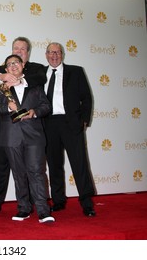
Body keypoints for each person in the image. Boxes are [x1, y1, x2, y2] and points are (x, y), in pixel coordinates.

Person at [0, 54, 54, 223]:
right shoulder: (0, 88)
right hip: (11, 137)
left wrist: (35, 112)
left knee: (37, 172)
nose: (13, 66)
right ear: (5, 69)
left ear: (22, 66)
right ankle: (24, 209)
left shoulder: (34, 86)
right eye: (9, 64)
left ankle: (43, 211)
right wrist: (7, 107)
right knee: (19, 174)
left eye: (16, 63)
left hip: (34, 136)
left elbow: (46, 106)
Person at [43, 42, 96, 217]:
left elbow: (87, 98)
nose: (54, 56)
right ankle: (58, 201)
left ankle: (87, 203)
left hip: (71, 124)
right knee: (54, 165)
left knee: (79, 164)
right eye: (51, 52)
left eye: (57, 52)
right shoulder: (40, 74)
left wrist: (83, 121)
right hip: (48, 124)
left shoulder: (76, 71)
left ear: (62, 54)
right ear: (46, 55)